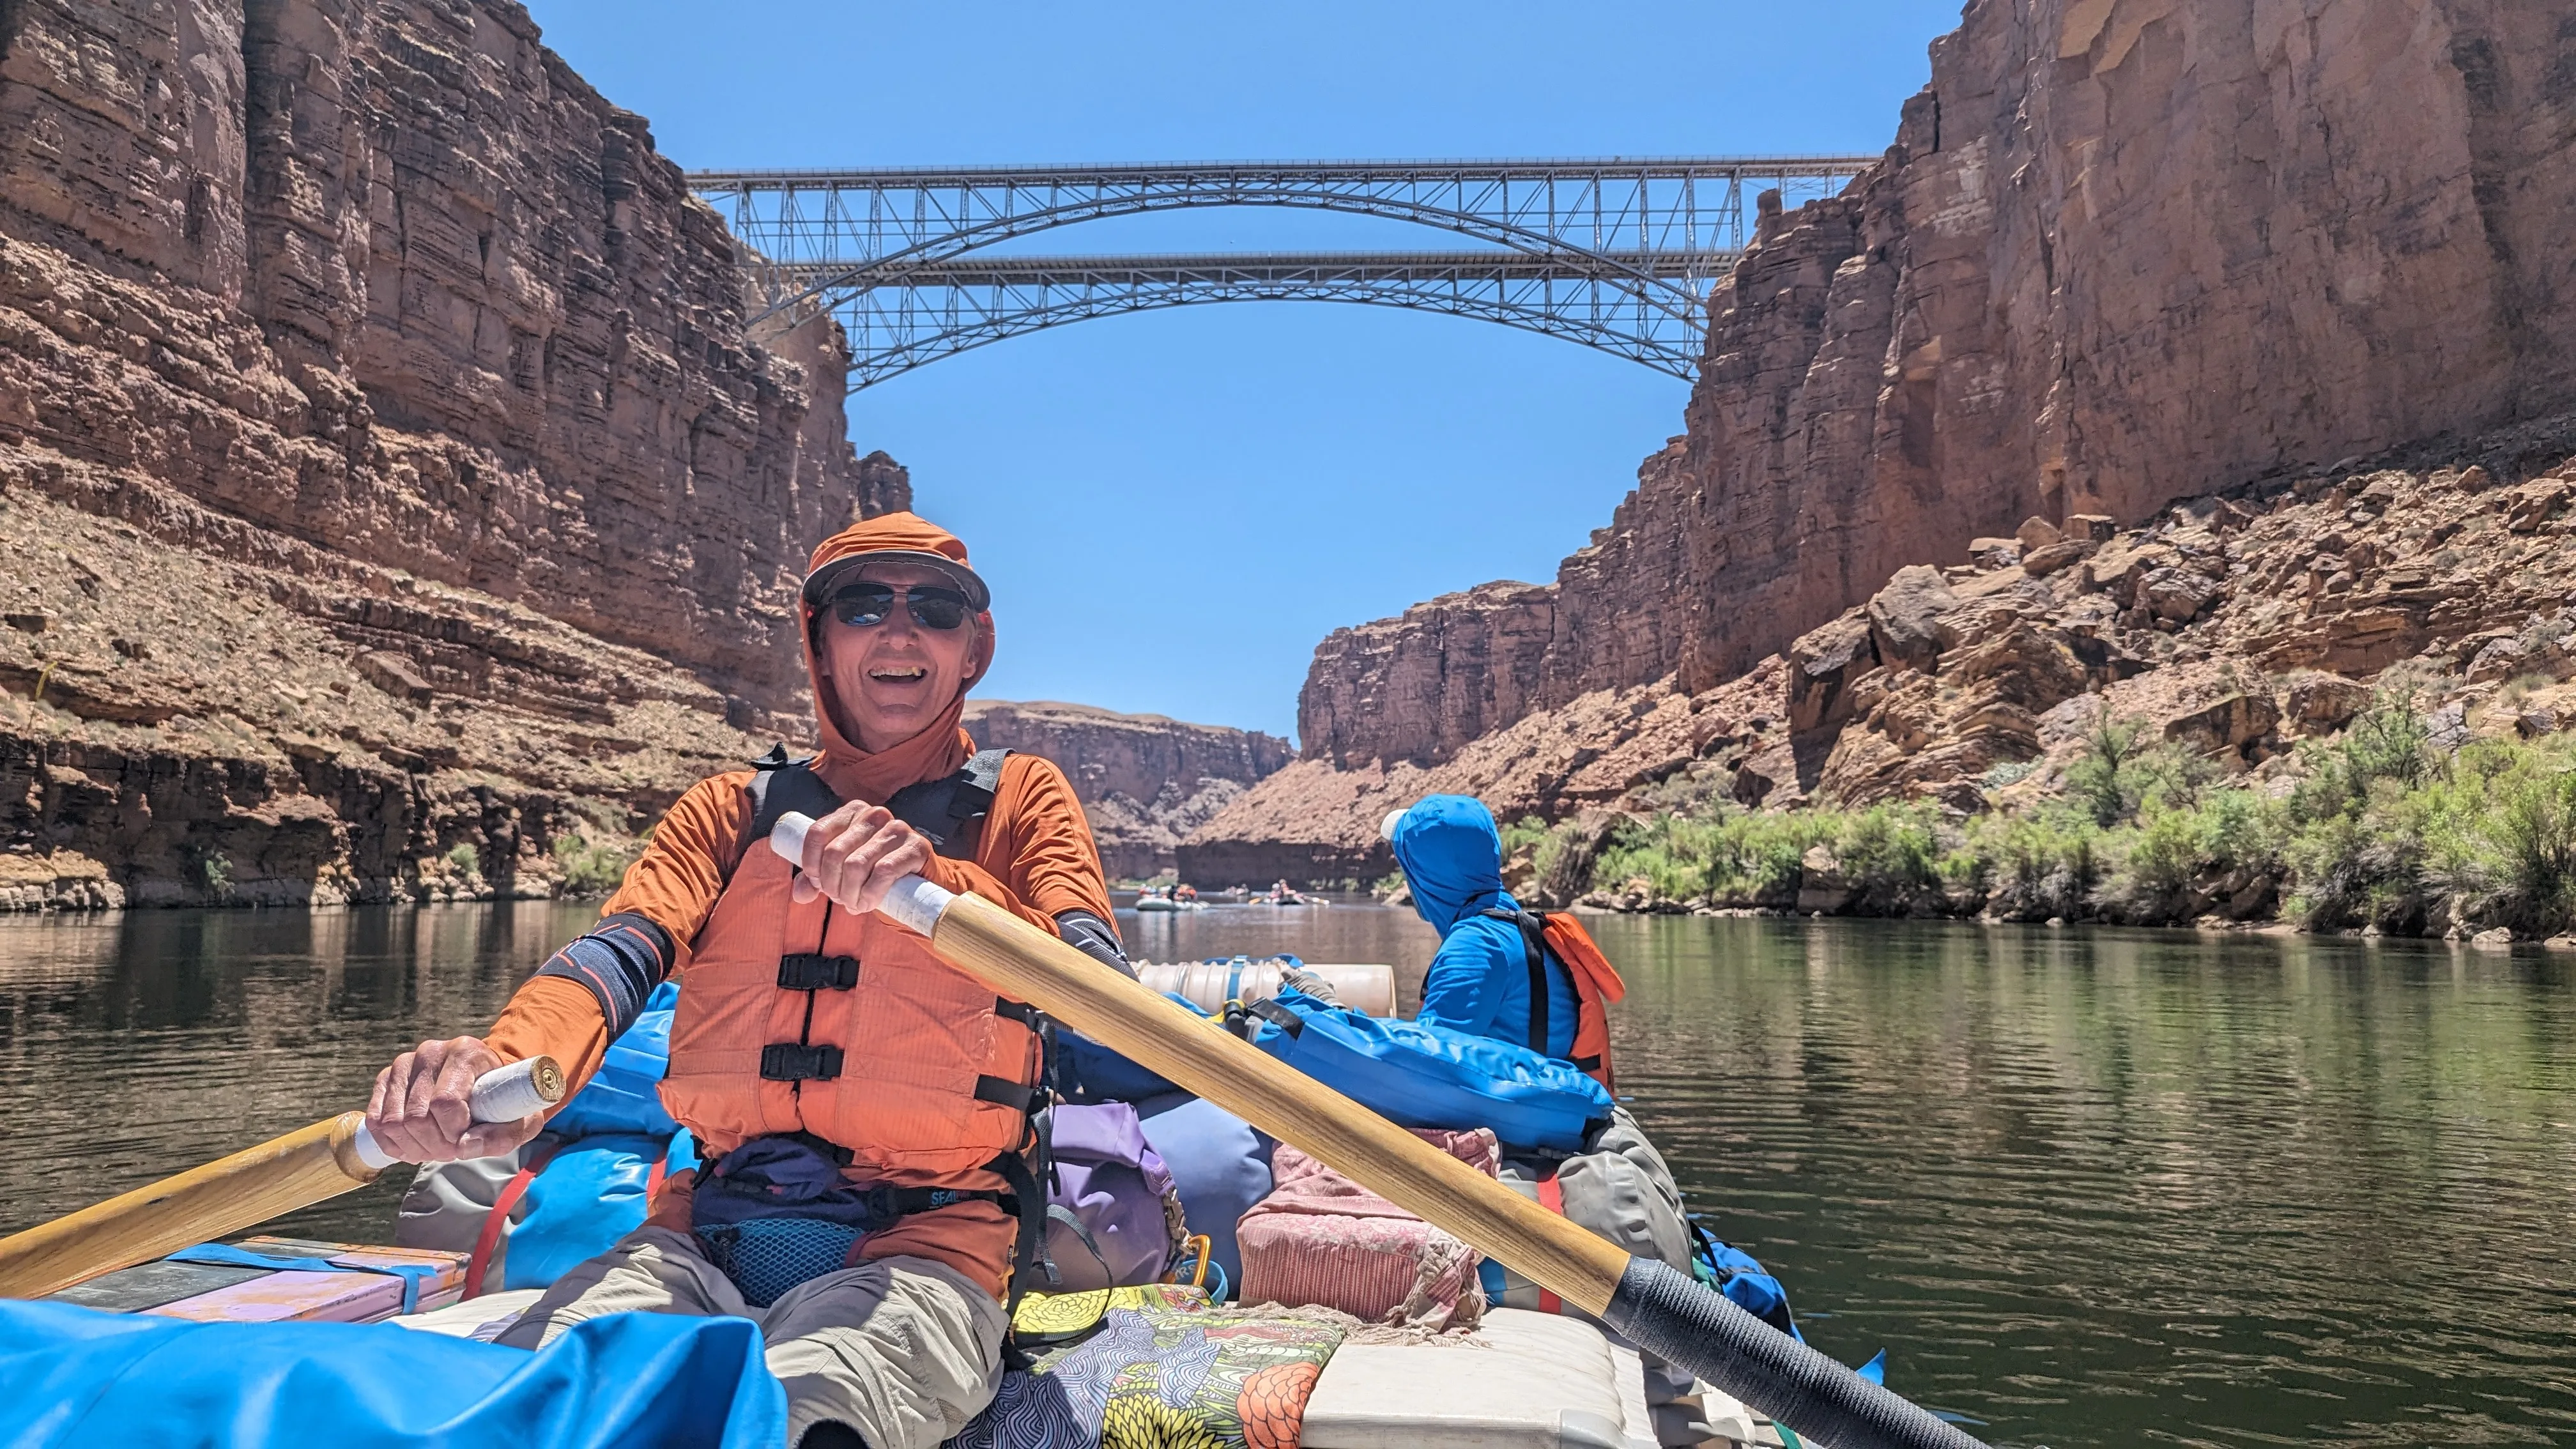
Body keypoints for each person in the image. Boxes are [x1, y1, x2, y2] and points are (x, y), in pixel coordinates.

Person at [362, 512, 1125, 1449]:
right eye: (863, 605)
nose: (899, 631)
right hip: (700, 1236)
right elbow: (615, 956)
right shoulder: (727, 813)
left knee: (800, 1422)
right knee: (536, 1415)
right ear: (819, 638)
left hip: (926, 1247)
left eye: (934, 608)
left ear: (973, 649)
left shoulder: (1022, 800)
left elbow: (1097, 985)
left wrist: (940, 886)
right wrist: (502, 1068)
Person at [1382, 795, 1581, 1061]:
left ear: (1425, 874)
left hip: (1502, 1104)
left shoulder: (1476, 946)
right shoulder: (1516, 925)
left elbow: (1426, 1062)